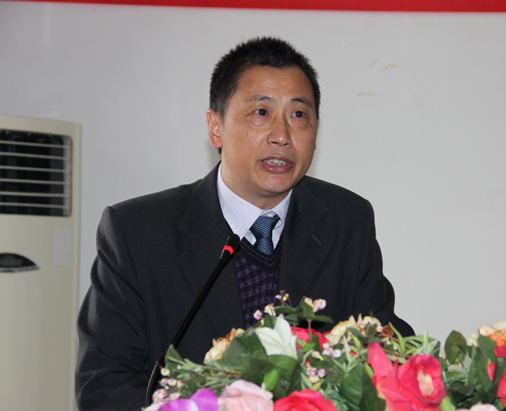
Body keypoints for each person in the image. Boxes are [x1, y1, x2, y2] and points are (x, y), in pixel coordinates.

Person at [75, 36, 413, 411]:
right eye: (261, 112)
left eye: (299, 115)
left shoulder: (346, 219)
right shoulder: (137, 231)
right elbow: (102, 385)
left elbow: (386, 350)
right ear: (215, 127)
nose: (282, 135)